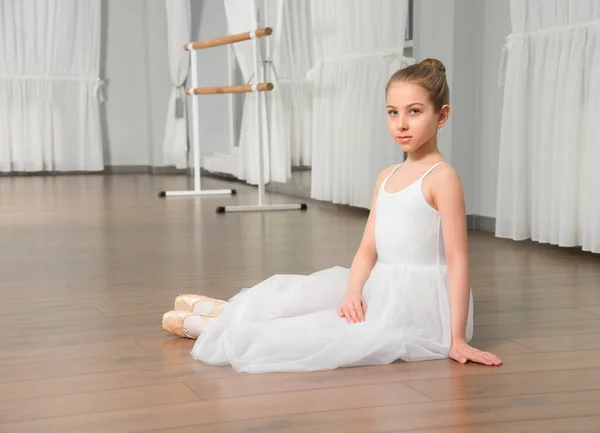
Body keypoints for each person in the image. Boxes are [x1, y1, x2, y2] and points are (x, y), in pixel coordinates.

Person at [161, 58, 503, 373]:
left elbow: (458, 258)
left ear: (441, 116)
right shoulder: (386, 176)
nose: (401, 124)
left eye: (414, 112)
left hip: (419, 305)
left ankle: (217, 327)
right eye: (392, 112)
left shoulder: (443, 178)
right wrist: (353, 291)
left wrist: (457, 337)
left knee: (324, 331)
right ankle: (227, 312)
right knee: (297, 293)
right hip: (378, 283)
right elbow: (368, 247)